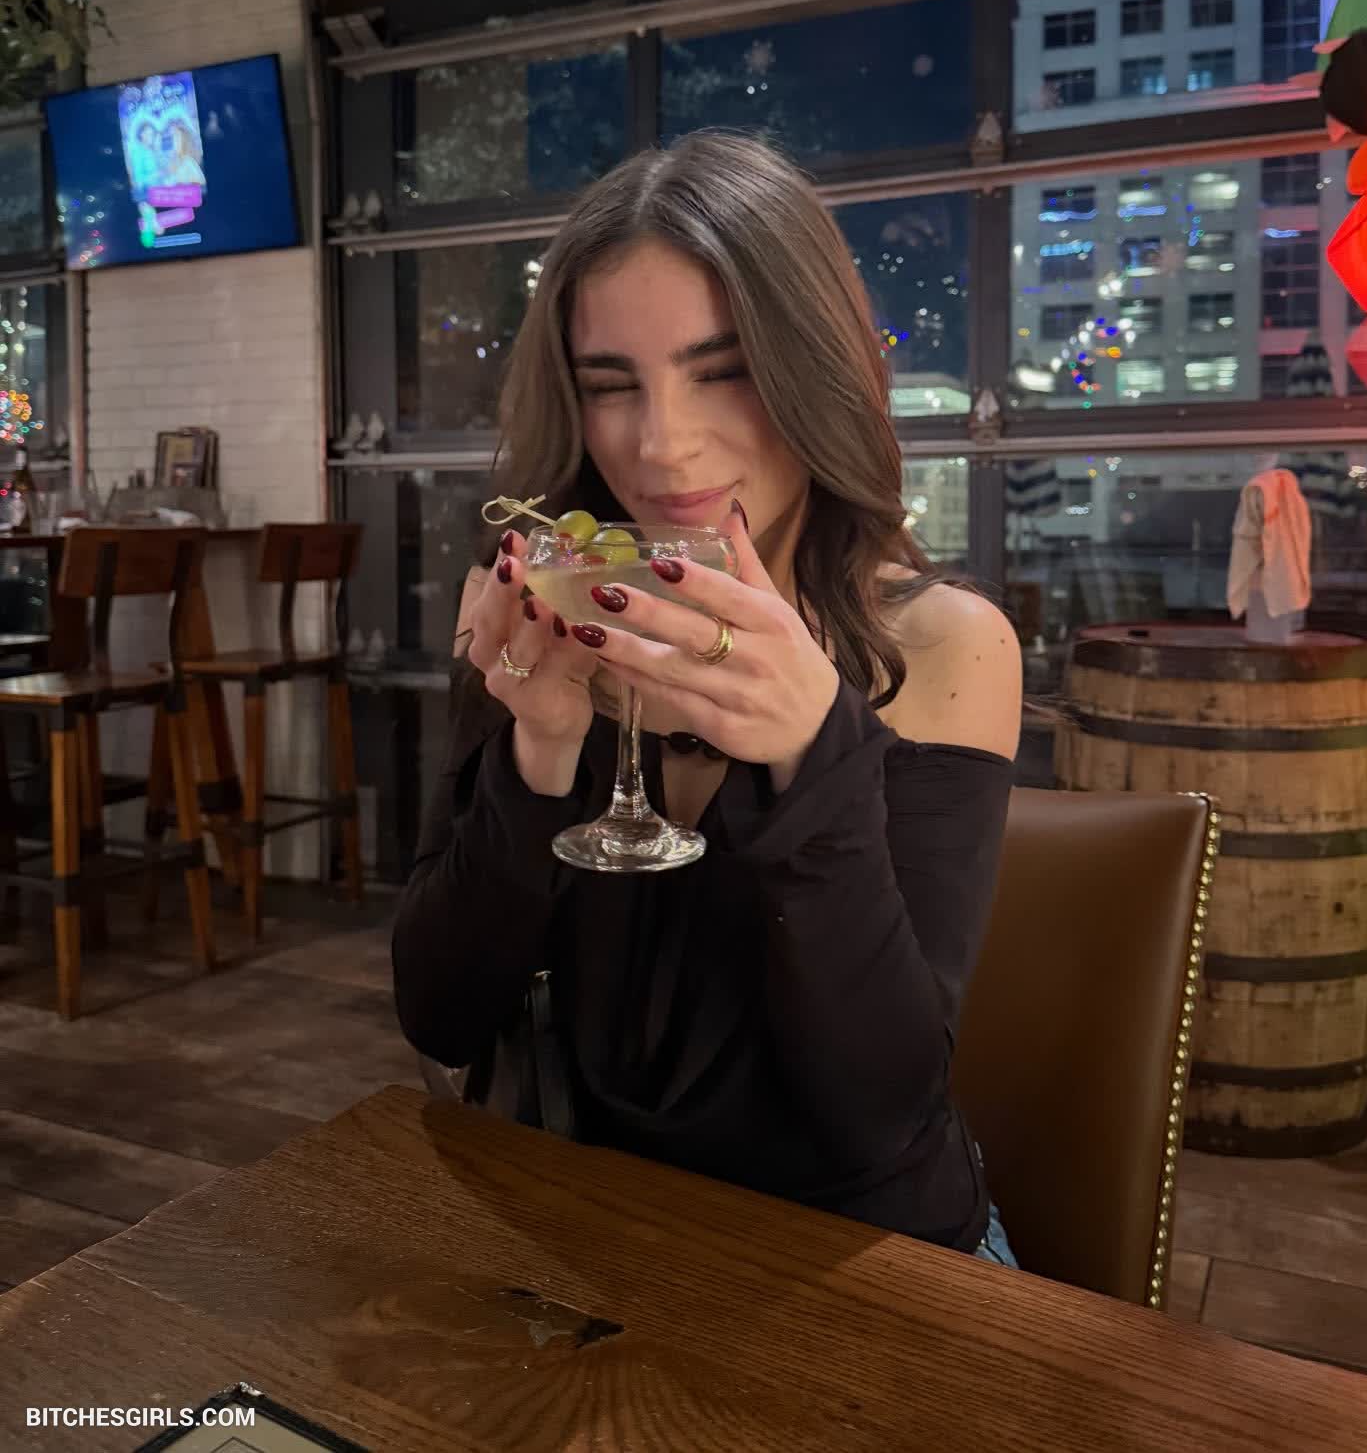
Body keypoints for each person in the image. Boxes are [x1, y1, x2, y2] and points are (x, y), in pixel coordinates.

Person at [392, 131, 1023, 1264]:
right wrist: (538, 756)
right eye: (610, 384)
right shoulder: (549, 606)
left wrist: (815, 750)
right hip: (589, 1239)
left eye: (720, 370)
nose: (662, 443)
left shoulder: (944, 647)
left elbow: (877, 1112)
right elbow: (440, 1015)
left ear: (813, 367)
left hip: (871, 1271)